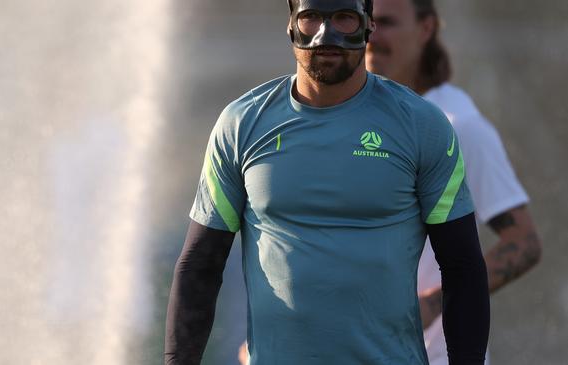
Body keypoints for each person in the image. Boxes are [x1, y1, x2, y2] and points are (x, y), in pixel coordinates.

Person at [166, 0, 490, 364]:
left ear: (368, 26)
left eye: (344, 18)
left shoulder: (421, 126)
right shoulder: (241, 124)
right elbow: (200, 265)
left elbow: (462, 267)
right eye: (311, 17)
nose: (326, 34)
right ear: (291, 25)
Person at [365, 0, 542, 364]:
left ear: (426, 29)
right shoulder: (356, 120)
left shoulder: (458, 126)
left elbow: (523, 242)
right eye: (365, 22)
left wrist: (430, 306)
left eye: (386, 23)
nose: (372, 36)